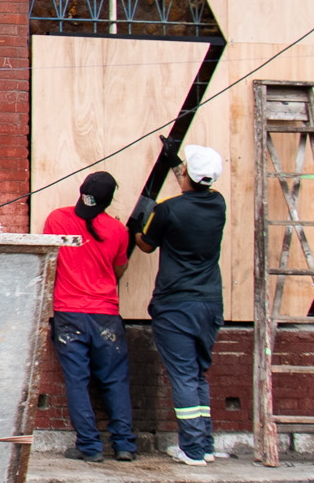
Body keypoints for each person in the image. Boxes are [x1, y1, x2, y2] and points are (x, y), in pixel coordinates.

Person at [133, 141, 229, 466]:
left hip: (176, 306)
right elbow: (194, 191)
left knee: (184, 377)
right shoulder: (219, 204)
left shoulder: (167, 210)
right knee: (198, 374)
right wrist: (178, 164)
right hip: (209, 304)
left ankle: (192, 450)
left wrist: (137, 223)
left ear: (187, 174)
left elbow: (146, 245)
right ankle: (204, 445)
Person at [40, 171, 138, 462]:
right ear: (108, 202)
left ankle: (90, 447)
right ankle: (124, 446)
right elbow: (119, 270)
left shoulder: (57, 219)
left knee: (77, 381)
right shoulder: (119, 231)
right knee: (115, 380)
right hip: (106, 315)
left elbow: (48, 259)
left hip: (68, 314)